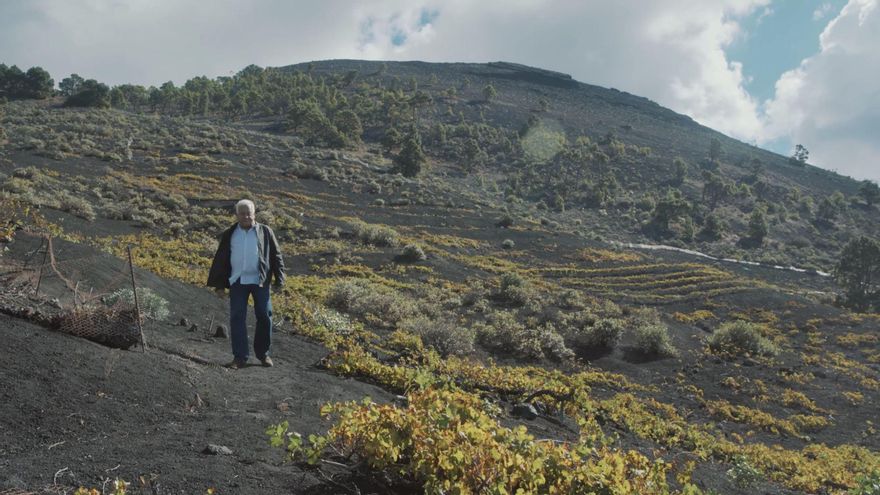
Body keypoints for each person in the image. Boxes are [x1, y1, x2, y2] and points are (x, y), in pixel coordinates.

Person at [207, 199, 286, 369]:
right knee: (237, 318)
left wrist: (280, 278)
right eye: (242, 213)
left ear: (254, 213)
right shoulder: (230, 233)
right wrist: (219, 285)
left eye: (249, 212)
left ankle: (263, 354)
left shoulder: (265, 232)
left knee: (265, 316)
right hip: (238, 281)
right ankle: (239, 357)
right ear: (237, 215)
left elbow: (276, 255)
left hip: (260, 281)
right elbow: (220, 259)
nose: (246, 216)